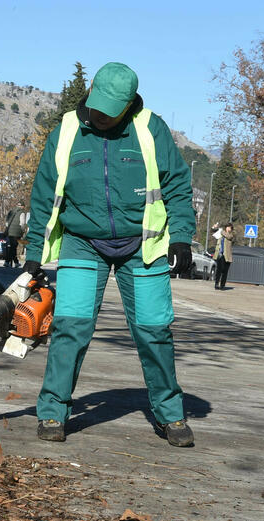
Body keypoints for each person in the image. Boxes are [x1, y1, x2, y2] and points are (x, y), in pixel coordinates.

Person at [21, 62, 196, 447]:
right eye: (96, 105)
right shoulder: (66, 131)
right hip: (82, 240)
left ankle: (170, 414)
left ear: (130, 103)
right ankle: (53, 412)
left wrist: (181, 237)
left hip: (143, 244)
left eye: (110, 110)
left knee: (154, 332)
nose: (99, 116)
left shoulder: (151, 129)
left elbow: (179, 184)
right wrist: (35, 250)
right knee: (70, 327)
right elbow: (43, 193)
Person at [214, 222, 234, 290]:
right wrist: (215, 227)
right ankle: (216, 284)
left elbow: (228, 236)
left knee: (225, 271)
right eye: (227, 227)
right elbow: (212, 232)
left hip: (227, 256)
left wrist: (221, 231)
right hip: (220, 254)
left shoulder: (230, 235)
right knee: (219, 270)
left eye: (230, 228)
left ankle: (222, 285)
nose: (228, 229)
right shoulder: (221, 233)